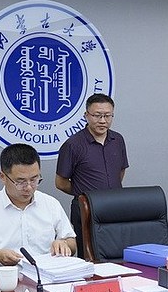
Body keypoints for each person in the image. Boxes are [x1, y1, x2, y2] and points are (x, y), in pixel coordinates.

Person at [0, 143, 76, 275]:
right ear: (3, 176)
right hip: (0, 281)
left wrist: (63, 244)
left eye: (34, 179)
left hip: (45, 279)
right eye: (21, 181)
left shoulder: (51, 204)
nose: (29, 187)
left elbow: (72, 242)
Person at [55, 93, 129, 245]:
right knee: (88, 252)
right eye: (97, 115)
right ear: (86, 115)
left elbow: (120, 172)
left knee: (117, 249)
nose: (102, 121)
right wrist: (85, 193)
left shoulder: (118, 140)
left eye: (107, 116)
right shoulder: (73, 145)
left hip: (116, 207)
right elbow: (61, 182)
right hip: (86, 209)